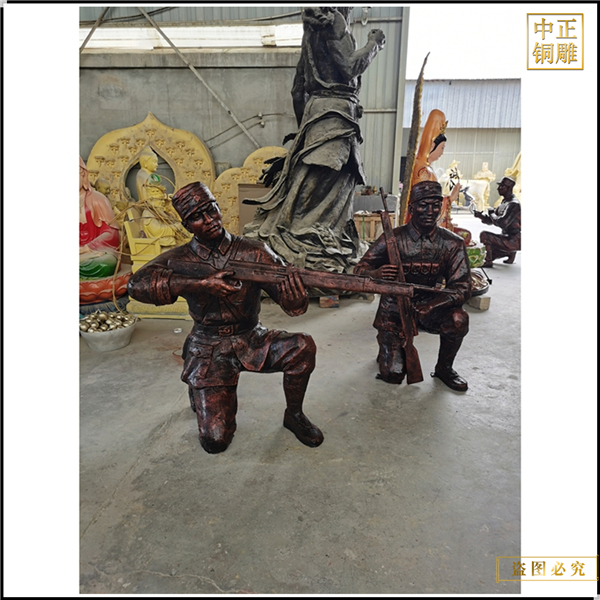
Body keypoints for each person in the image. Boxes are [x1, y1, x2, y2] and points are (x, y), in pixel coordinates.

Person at [127, 181, 323, 454]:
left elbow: (288, 301)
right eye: (197, 217)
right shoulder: (179, 257)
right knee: (215, 440)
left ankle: (294, 414)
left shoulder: (254, 251)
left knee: (302, 346)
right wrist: (201, 284)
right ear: (187, 226)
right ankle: (200, 386)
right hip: (209, 347)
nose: (209, 220)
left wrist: (295, 296)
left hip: (251, 337)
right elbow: (136, 285)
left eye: (211, 210)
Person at [243, 7, 385, 273]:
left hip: (315, 117)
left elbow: (297, 91)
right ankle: (313, 248)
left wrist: (305, 132)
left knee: (306, 187)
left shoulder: (310, 32)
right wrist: (374, 44)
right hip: (337, 119)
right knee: (332, 189)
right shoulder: (335, 21)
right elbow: (350, 67)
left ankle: (297, 240)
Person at [355, 180, 472, 391]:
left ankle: (444, 369)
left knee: (458, 319)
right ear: (411, 208)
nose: (430, 211)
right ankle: (388, 346)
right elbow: (359, 269)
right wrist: (375, 274)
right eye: (423, 205)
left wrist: (432, 305)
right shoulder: (392, 239)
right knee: (393, 375)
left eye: (435, 205)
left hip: (431, 309)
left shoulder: (452, 243)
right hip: (394, 311)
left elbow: (462, 287)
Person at [405, 109, 460, 227]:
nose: (442, 153)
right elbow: (425, 206)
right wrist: (450, 199)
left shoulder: (422, 166)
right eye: (442, 148)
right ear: (432, 145)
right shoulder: (423, 171)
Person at [79, 156, 120, 279]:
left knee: (105, 263)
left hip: (97, 250)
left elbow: (112, 234)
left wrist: (87, 248)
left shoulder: (98, 199)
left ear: (83, 175)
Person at [474, 176, 521, 267]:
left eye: (501, 186)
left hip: (514, 240)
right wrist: (480, 216)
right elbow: (491, 220)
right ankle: (510, 253)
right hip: (507, 238)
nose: (498, 188)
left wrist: (492, 213)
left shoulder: (513, 204)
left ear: (509, 188)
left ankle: (488, 261)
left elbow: (502, 223)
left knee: (484, 235)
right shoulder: (504, 202)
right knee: (489, 253)